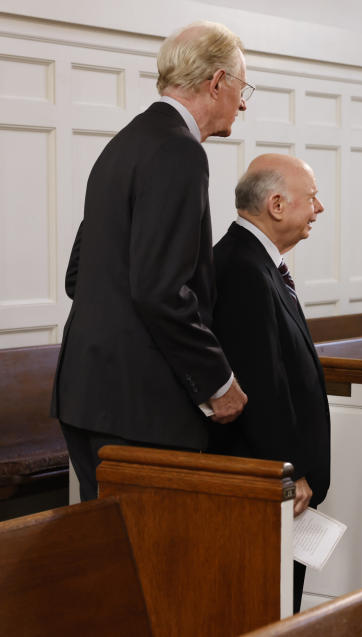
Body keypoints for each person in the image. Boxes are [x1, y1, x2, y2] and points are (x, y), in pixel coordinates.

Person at [51, 21, 252, 501]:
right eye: (243, 89)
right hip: (141, 411)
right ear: (217, 82)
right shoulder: (180, 152)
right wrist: (217, 382)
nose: (243, 104)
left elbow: (79, 275)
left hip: (87, 398)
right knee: (149, 569)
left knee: (113, 562)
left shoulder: (123, 144)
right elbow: (160, 289)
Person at [210, 153, 330, 613]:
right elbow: (259, 381)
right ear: (277, 205)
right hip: (268, 483)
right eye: (312, 198)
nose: (318, 210)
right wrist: (290, 469)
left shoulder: (256, 260)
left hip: (279, 482)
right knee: (267, 607)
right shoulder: (242, 268)